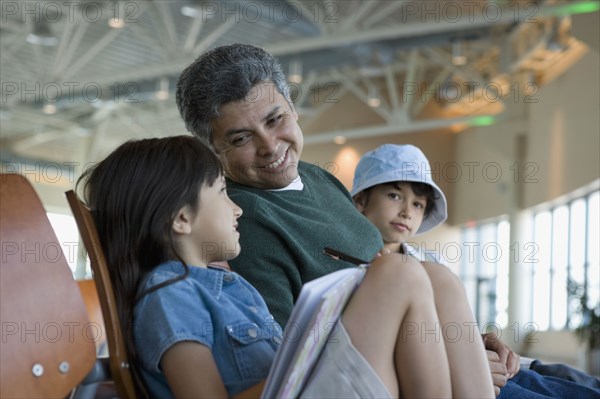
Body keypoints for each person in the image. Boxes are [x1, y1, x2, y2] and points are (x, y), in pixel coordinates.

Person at [176, 43, 495, 397]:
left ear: (293, 109)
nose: (269, 146)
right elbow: (283, 359)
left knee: (436, 275)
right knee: (400, 271)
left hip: (416, 353)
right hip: (360, 376)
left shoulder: (317, 178)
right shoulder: (243, 220)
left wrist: (458, 343)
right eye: (240, 138)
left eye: (274, 119)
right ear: (213, 149)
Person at [78, 135, 471, 398]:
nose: (238, 207)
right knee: (396, 273)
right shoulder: (170, 296)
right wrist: (305, 363)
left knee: (427, 274)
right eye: (222, 193)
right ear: (181, 219)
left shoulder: (228, 285)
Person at [350, 143, 600, 399]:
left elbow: (450, 331)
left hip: (497, 371)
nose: (406, 212)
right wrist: (466, 368)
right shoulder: (349, 271)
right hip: (460, 382)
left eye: (418, 204)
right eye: (394, 196)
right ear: (360, 200)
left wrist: (482, 342)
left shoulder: (431, 264)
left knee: (578, 384)